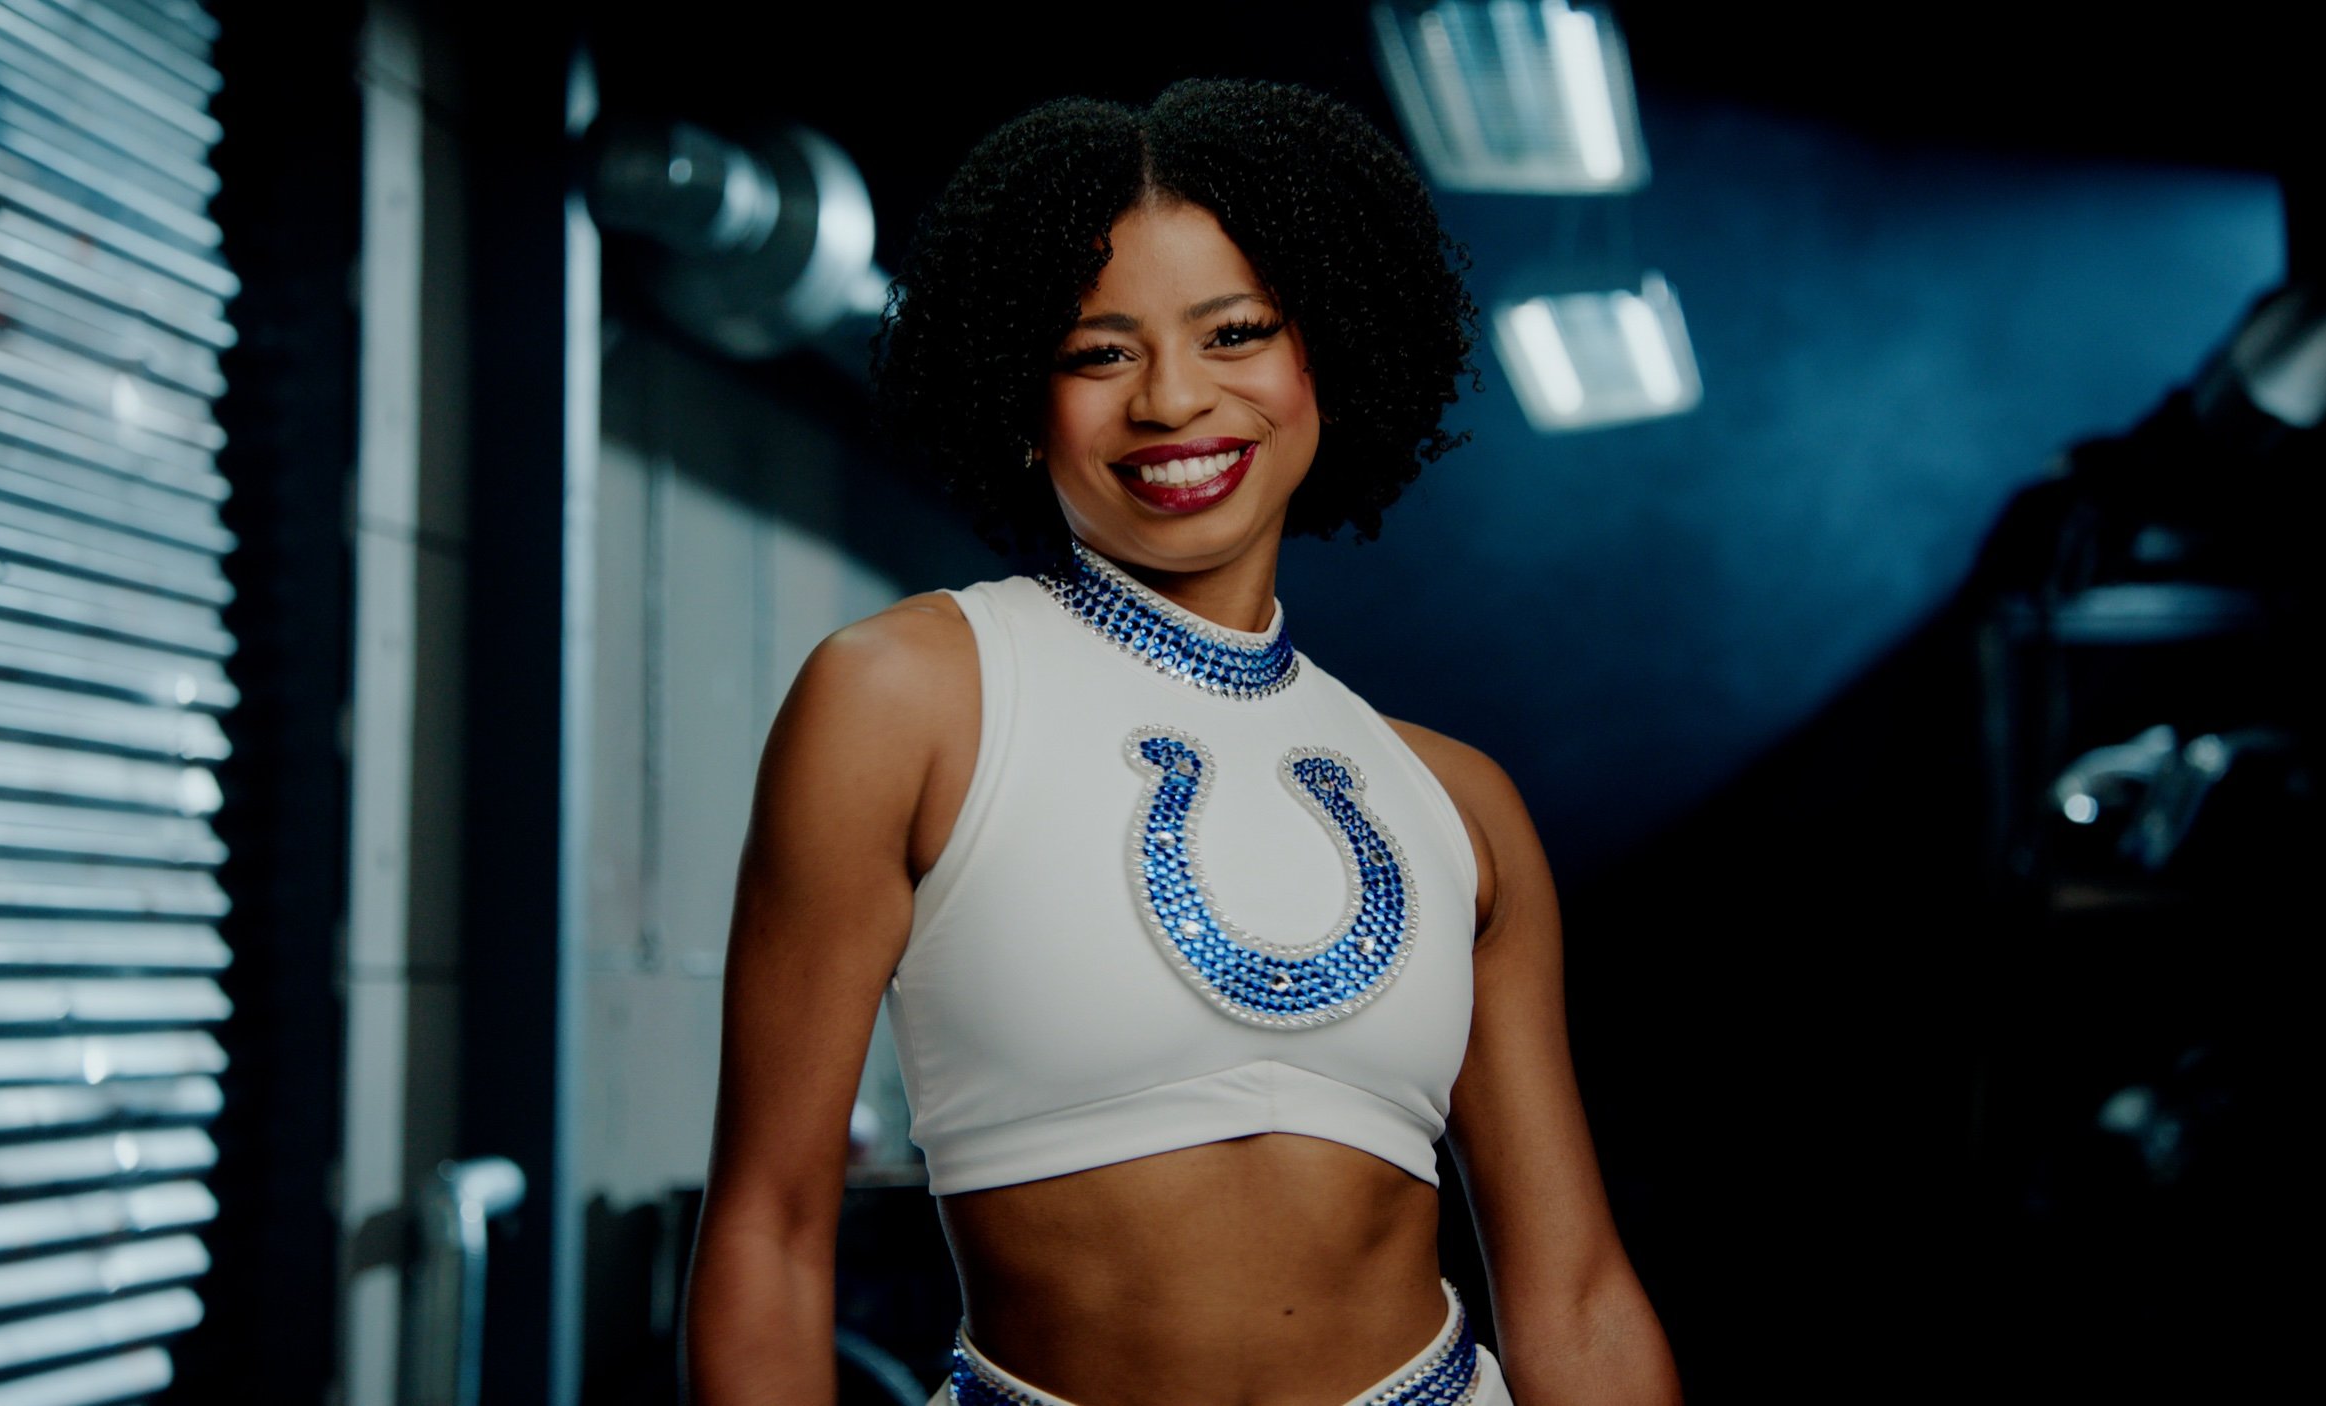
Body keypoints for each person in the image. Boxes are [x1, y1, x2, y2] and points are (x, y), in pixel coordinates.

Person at [685, 79, 1679, 1406]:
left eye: (1235, 332)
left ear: (1324, 351)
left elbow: (1578, 1293)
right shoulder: (905, 697)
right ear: (1018, 391)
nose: (1171, 399)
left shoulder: (1460, 803)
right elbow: (770, 1229)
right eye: (1099, 352)